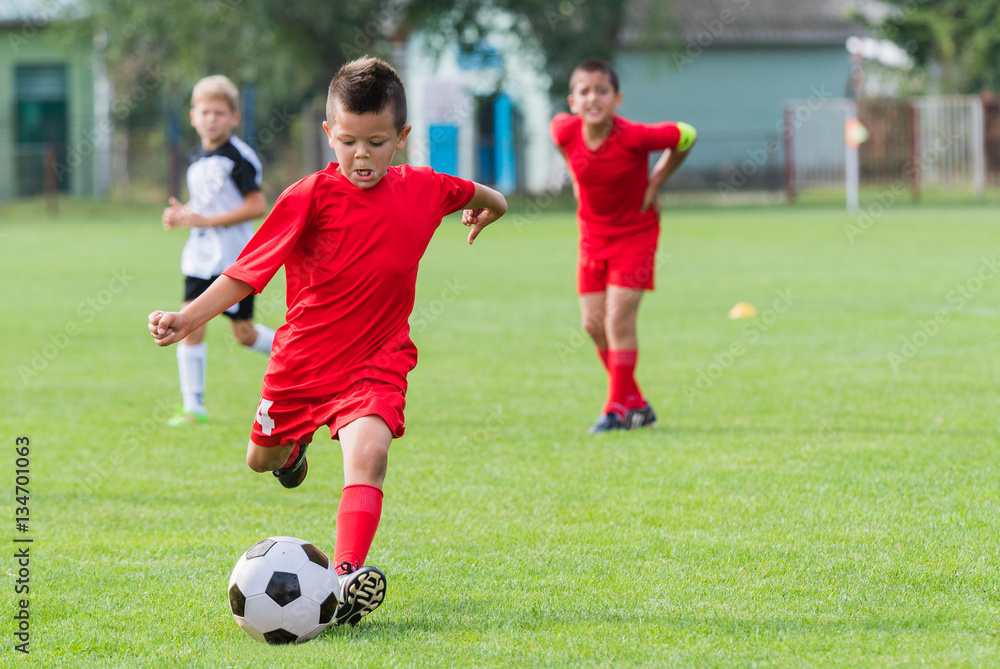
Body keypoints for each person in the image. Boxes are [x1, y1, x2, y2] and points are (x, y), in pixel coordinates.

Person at [149, 57, 507, 626]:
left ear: (402, 139)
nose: (361, 155)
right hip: (301, 363)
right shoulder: (308, 196)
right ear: (328, 135)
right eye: (347, 142)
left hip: (376, 361)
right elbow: (245, 273)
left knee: (369, 455)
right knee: (259, 460)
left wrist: (487, 212)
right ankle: (292, 450)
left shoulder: (426, 189)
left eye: (376, 142)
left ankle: (344, 581)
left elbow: (488, 196)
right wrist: (188, 317)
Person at [550, 59, 696, 434]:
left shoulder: (635, 136)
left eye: (602, 90)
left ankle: (615, 410)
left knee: (618, 321)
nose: (593, 97)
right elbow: (572, 160)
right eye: (585, 91)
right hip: (592, 237)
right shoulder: (563, 130)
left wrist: (656, 181)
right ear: (573, 101)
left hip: (636, 235)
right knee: (593, 325)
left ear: (617, 99)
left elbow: (687, 135)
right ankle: (637, 405)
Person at [161, 74, 275, 427]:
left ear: (234, 118)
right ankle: (193, 406)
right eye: (205, 112)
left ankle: (304, 353)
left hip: (234, 260)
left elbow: (257, 205)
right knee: (188, 324)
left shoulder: (239, 158)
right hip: (199, 258)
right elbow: (206, 204)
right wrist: (182, 216)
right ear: (193, 116)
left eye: (220, 113)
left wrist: (208, 221)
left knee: (245, 335)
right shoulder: (196, 156)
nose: (212, 119)